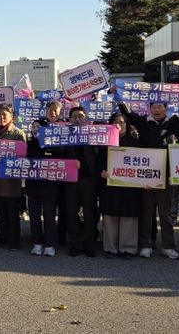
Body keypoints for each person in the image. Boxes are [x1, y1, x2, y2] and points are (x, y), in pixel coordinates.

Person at [117, 95, 179, 259]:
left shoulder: (175, 122)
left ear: (166, 108)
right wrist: (119, 95)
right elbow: (128, 113)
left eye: (160, 106)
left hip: (167, 174)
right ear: (150, 108)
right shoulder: (143, 122)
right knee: (146, 212)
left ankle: (168, 246)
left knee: (166, 213)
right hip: (146, 173)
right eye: (154, 107)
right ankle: (146, 245)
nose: (157, 110)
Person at [99, 113, 142, 259]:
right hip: (110, 184)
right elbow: (98, 160)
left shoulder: (136, 143)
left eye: (122, 122)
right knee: (110, 216)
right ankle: (110, 248)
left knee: (128, 217)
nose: (119, 124)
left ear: (127, 125)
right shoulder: (104, 142)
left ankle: (128, 249)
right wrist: (101, 171)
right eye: (115, 121)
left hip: (130, 186)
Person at [26, 101, 64, 257]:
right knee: (34, 215)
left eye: (39, 127)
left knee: (49, 215)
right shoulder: (28, 144)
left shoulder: (54, 143)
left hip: (50, 185)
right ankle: (37, 243)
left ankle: (49, 244)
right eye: (33, 127)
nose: (36, 129)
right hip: (33, 185)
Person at [62, 106, 101, 257]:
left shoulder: (94, 134)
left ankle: (88, 243)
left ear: (86, 119)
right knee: (72, 212)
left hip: (89, 179)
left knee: (90, 212)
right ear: (69, 120)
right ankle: (75, 243)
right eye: (74, 116)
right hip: (70, 179)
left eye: (80, 116)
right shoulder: (63, 135)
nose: (77, 119)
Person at [0, 104, 27, 251]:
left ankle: (14, 240)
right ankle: (1, 237)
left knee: (12, 212)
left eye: (5, 115)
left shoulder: (18, 133)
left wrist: (6, 159)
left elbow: (23, 158)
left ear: (11, 117)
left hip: (11, 180)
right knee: (0, 212)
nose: (1, 117)